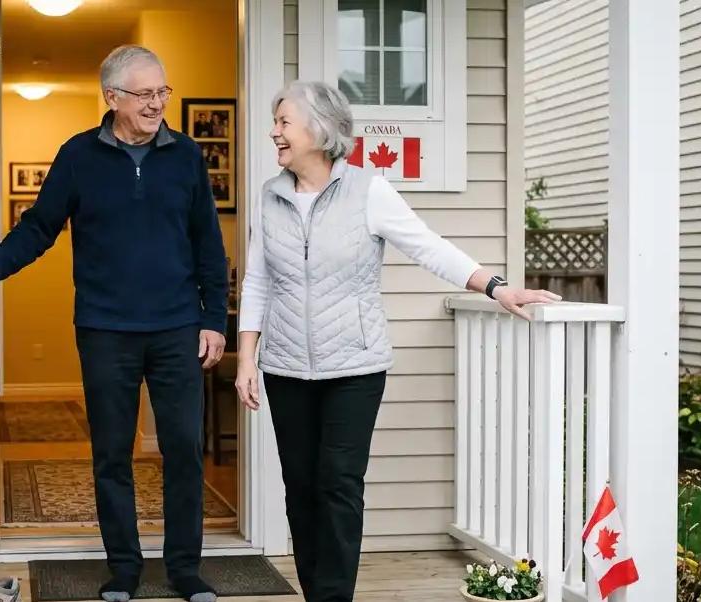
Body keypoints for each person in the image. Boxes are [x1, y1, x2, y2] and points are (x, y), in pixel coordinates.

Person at [233, 80, 560, 602]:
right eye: (275, 123)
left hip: (355, 368)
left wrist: (496, 286)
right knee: (301, 488)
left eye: (284, 122)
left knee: (339, 484)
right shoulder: (270, 197)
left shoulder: (369, 191)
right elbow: (259, 281)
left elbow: (430, 248)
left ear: (320, 129)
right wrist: (247, 357)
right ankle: (317, 592)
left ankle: (334, 597)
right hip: (286, 366)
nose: (274, 132)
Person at [0, 45, 227, 602]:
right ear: (112, 97)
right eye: (145, 94)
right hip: (105, 329)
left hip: (178, 327)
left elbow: (209, 242)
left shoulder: (186, 156)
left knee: (182, 448)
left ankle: (184, 569)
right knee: (112, 453)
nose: (157, 103)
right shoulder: (79, 156)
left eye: (163, 92)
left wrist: (213, 320)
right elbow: (39, 227)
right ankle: (124, 570)